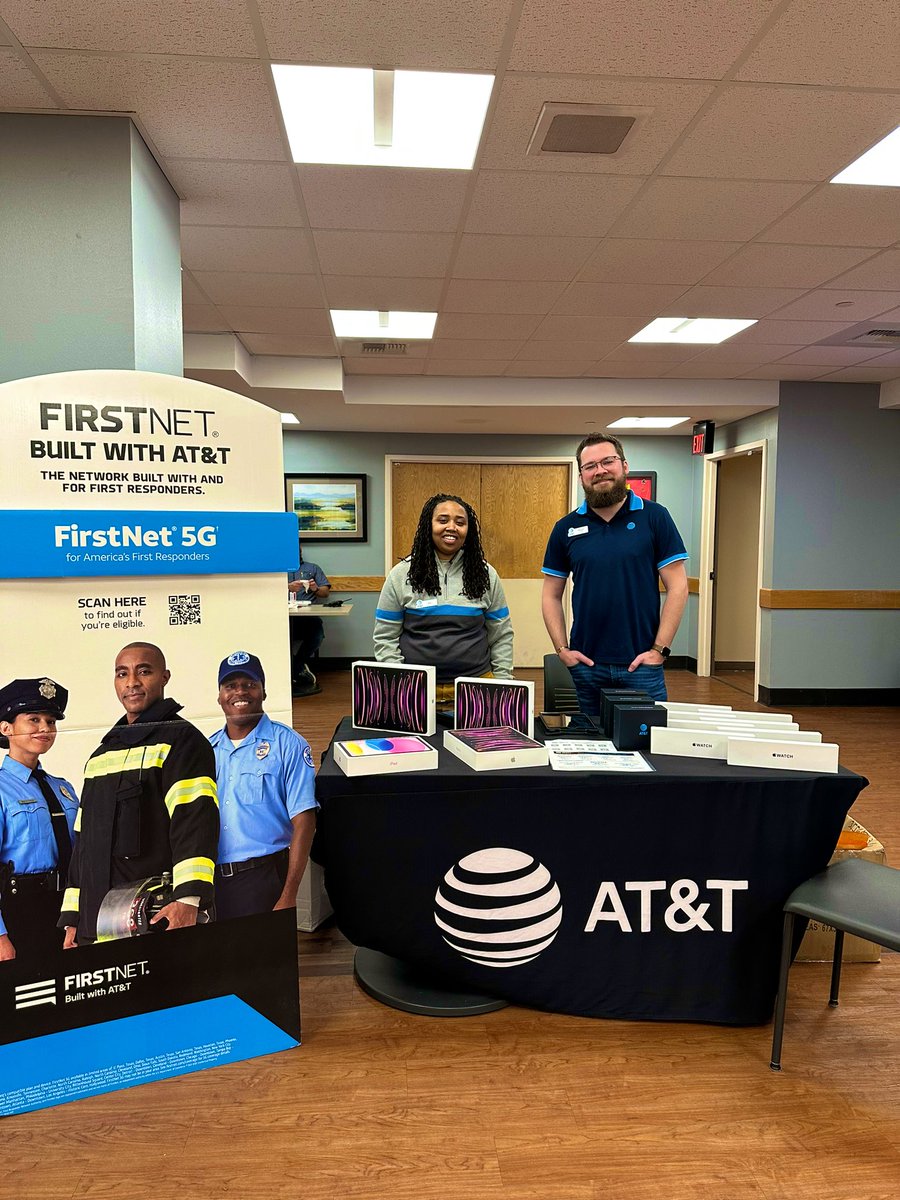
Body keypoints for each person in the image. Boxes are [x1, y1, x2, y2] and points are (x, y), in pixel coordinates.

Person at [59, 642, 219, 946]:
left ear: (164, 677)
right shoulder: (100, 756)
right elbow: (83, 845)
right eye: (122, 674)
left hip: (155, 918)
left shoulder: (183, 741)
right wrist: (72, 918)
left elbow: (195, 822)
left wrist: (188, 900)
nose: (131, 682)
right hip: (95, 923)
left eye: (144, 671)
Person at [541, 433, 689, 710]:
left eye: (607, 461)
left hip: (641, 667)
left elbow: (678, 587)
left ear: (624, 466)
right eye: (590, 466)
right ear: (581, 476)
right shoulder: (565, 528)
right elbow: (550, 595)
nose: (600, 470)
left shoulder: (655, 517)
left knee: (646, 737)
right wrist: (562, 649)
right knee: (587, 737)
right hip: (586, 667)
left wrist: (659, 650)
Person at [209, 651, 318, 922]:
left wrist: (289, 894)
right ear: (220, 696)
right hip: (211, 882)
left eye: (250, 684)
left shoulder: (288, 744)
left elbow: (305, 821)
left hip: (263, 878)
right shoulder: (207, 750)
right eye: (230, 685)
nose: (240, 692)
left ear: (264, 692)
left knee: (265, 951)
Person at [374, 493, 514, 704]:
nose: (452, 527)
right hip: (415, 690)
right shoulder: (401, 574)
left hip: (476, 688)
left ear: (468, 530)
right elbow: (385, 637)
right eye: (442, 520)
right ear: (428, 525)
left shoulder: (486, 575)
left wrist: (502, 684)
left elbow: (501, 635)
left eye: (460, 522)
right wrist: (402, 685)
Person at [0, 678, 78, 962]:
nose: (45, 728)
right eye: (34, 719)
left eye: (51, 721)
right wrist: (0, 937)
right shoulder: (1, 789)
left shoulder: (63, 788)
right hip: (19, 911)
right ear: (6, 728)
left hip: (66, 909)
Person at [288, 550, 331, 697]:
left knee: (317, 635)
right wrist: (287, 587)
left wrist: (315, 589)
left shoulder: (312, 568)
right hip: (283, 617)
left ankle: (296, 667)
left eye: (298, 549)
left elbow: (325, 592)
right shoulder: (277, 569)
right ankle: (296, 670)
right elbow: (266, 590)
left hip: (307, 616)